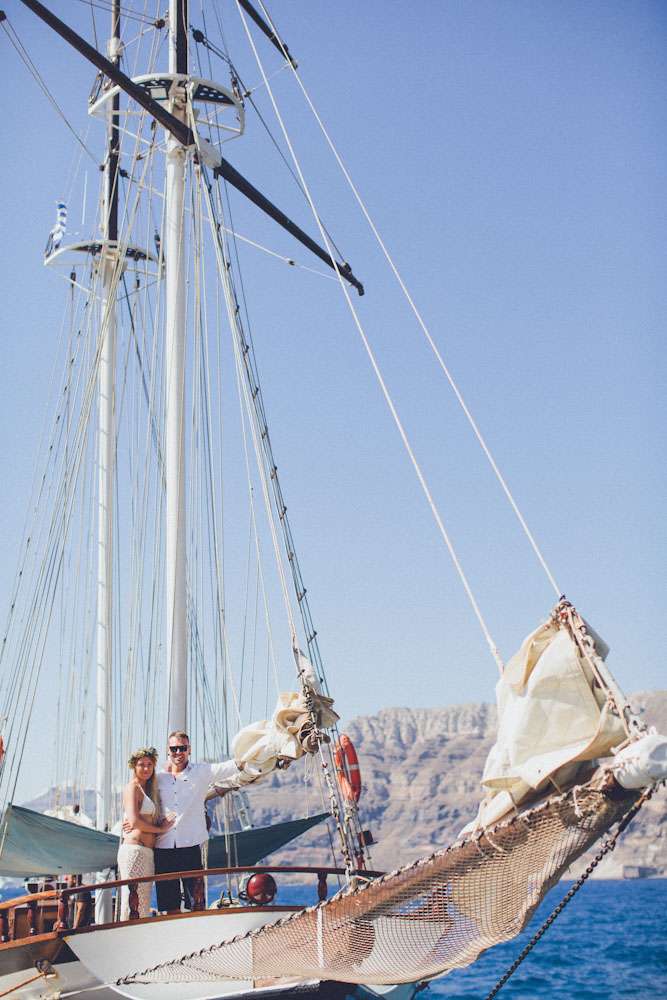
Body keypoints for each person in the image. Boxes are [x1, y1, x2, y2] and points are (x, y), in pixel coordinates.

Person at [150, 732, 252, 914]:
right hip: (163, 847)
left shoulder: (201, 772)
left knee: (196, 903)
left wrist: (257, 751)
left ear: (189, 750)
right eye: (174, 749)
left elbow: (231, 766)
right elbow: (140, 795)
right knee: (170, 905)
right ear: (168, 751)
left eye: (183, 748)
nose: (178, 752)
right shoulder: (158, 779)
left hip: (190, 845)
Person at [117, 746, 174, 919]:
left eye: (150, 765)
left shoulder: (149, 789)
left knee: (143, 903)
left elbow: (143, 820)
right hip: (134, 851)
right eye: (141, 764)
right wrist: (160, 829)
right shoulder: (132, 788)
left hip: (147, 853)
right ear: (134, 766)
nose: (146, 768)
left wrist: (161, 823)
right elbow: (134, 821)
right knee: (132, 903)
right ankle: (126, 934)